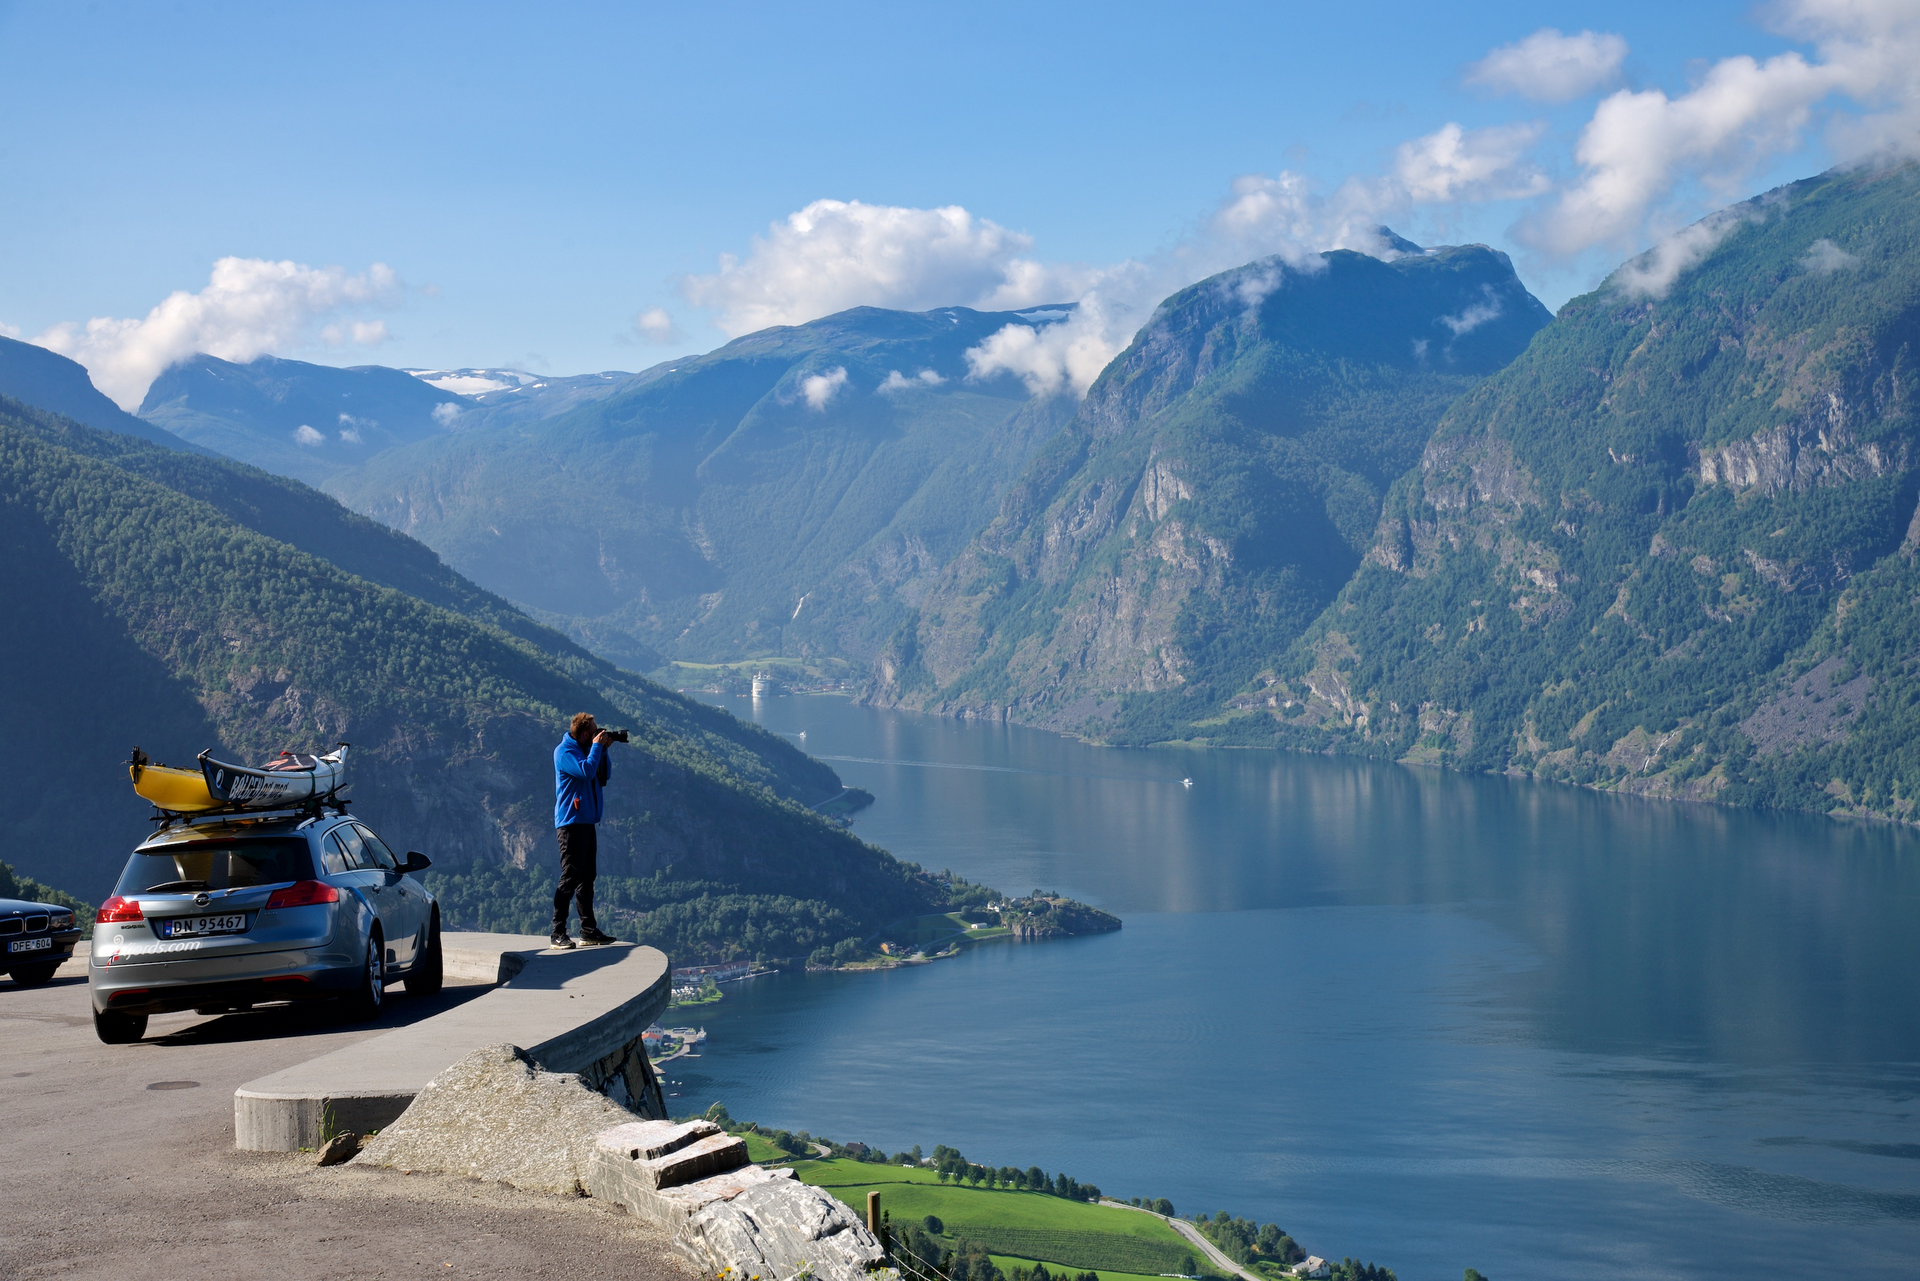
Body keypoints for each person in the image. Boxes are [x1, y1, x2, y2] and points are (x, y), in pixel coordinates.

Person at [552, 711, 617, 948]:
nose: (598, 734)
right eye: (595, 731)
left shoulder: (586, 750)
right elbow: (586, 771)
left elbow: (602, 775)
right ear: (585, 734)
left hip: (587, 822)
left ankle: (588, 930)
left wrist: (604, 750)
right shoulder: (565, 752)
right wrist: (597, 748)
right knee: (570, 877)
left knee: (587, 878)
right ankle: (557, 932)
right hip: (571, 823)